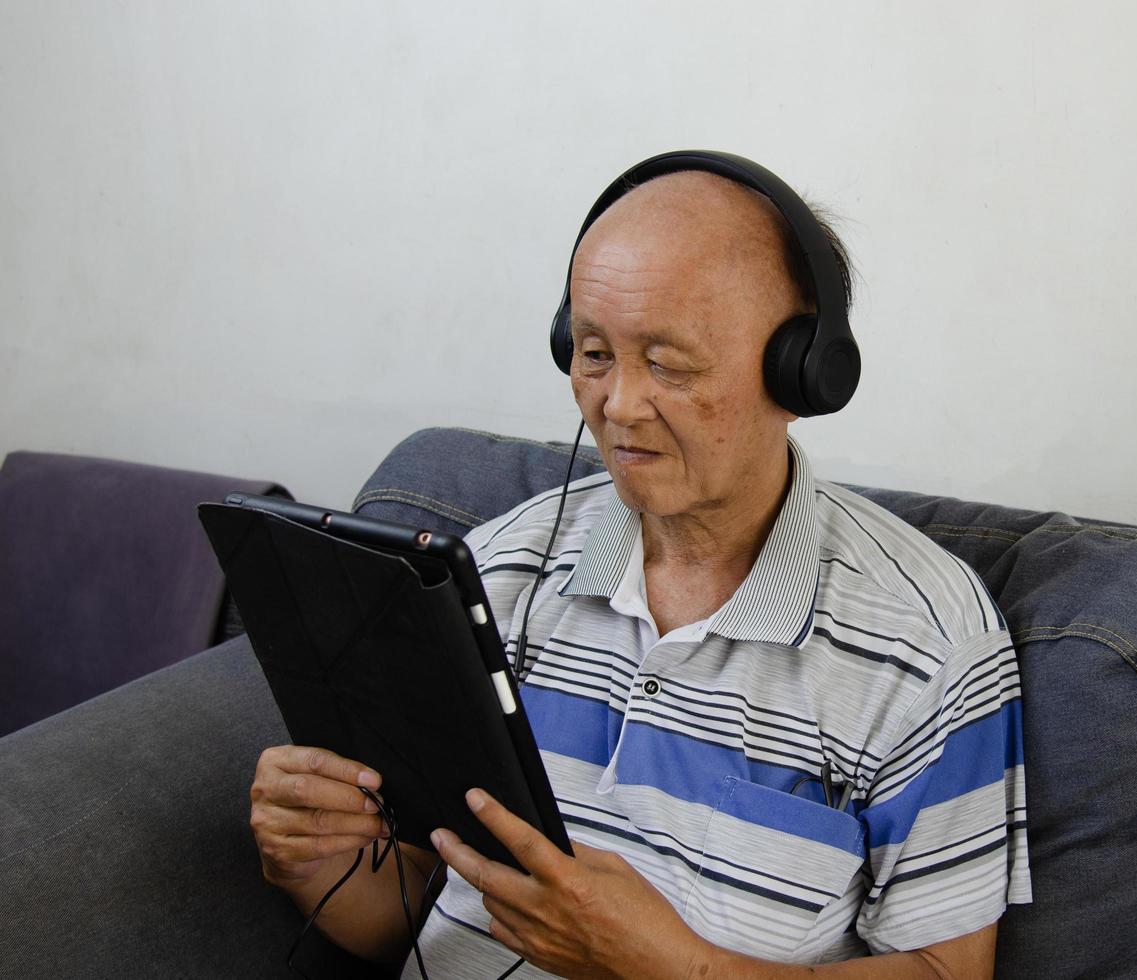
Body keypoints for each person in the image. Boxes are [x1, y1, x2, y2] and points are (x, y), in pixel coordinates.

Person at [249, 155, 1030, 978]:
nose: (618, 405)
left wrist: (662, 966)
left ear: (805, 370)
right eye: (592, 353)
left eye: (668, 364)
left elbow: (946, 971)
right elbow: (415, 916)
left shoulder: (933, 646)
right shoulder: (490, 576)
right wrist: (318, 862)